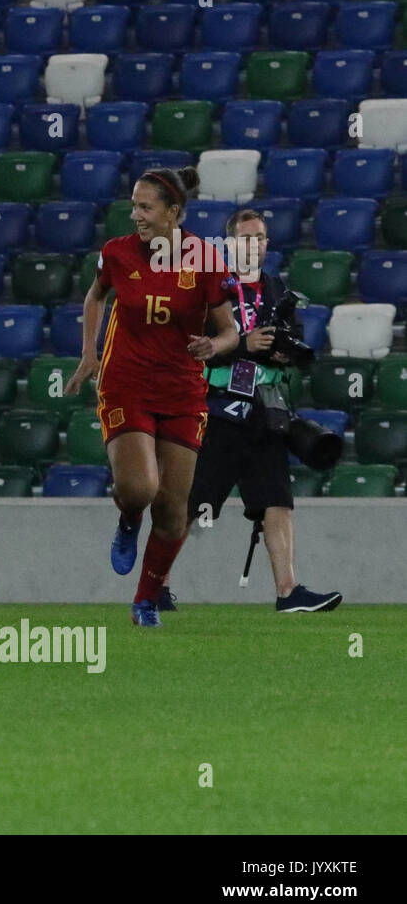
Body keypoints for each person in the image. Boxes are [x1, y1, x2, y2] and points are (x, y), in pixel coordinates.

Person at [64, 166, 238, 627]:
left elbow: (230, 332)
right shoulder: (117, 253)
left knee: (173, 509)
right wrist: (89, 355)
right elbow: (94, 298)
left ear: (173, 212)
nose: (135, 214)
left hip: (182, 390)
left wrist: (212, 346)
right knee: (140, 488)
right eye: (134, 205)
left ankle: (145, 599)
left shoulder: (205, 259)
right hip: (128, 383)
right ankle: (127, 519)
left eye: (145, 206)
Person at [170, 209, 343, 613]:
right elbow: (193, 349)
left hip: (266, 409)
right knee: (195, 501)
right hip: (220, 408)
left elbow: (293, 341)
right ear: (229, 244)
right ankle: (154, 583)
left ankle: (288, 591)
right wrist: (244, 344)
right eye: (246, 238)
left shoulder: (277, 288)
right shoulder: (209, 288)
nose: (255, 244)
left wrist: (286, 351)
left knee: (277, 499)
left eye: (261, 237)